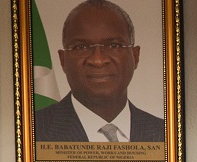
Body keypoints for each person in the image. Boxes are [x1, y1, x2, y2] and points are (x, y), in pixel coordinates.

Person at [34, 0, 165, 143]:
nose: (98, 60)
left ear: (135, 56)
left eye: (114, 45)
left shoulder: (166, 135)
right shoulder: (33, 131)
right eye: (81, 47)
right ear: (63, 60)